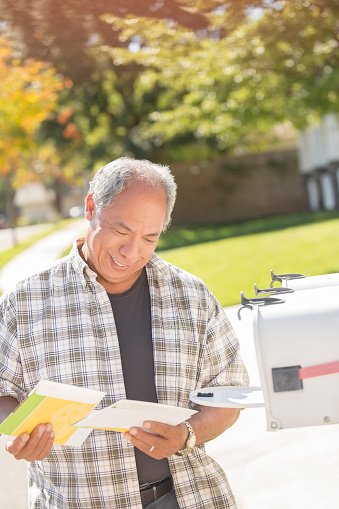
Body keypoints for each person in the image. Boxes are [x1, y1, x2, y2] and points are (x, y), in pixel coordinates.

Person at [0, 157, 249, 509]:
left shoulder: (191, 296)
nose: (132, 253)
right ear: (91, 207)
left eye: (150, 237)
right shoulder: (22, 303)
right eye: (121, 231)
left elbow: (229, 394)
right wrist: (19, 428)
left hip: (187, 498)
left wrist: (186, 435)